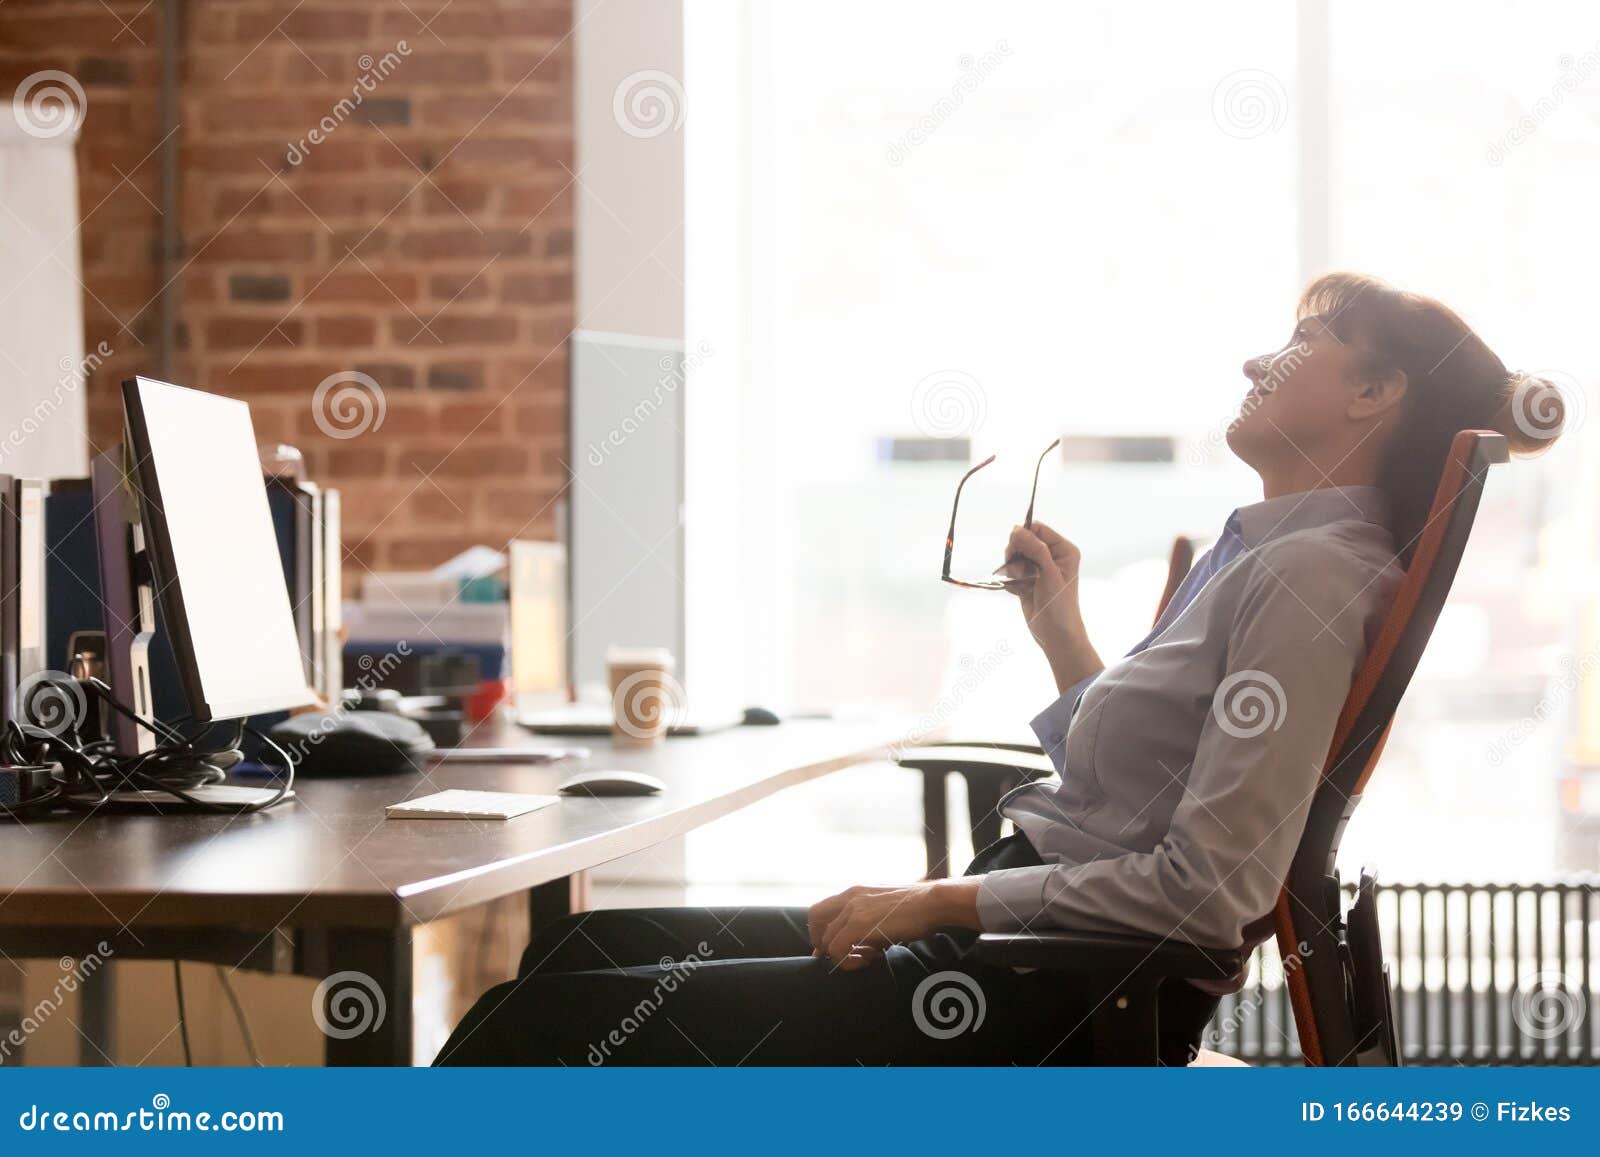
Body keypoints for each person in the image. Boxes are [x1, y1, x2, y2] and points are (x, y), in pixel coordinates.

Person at [436, 272, 1564, 1066]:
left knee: (534, 1032)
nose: (1255, 359)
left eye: (1303, 343)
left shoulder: (1310, 576)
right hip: (1022, 944)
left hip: (1046, 995)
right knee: (580, 945)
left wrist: (932, 897)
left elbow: (1206, 894)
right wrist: (1062, 628)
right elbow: (1136, 788)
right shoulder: (1268, 551)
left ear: (1375, 394)